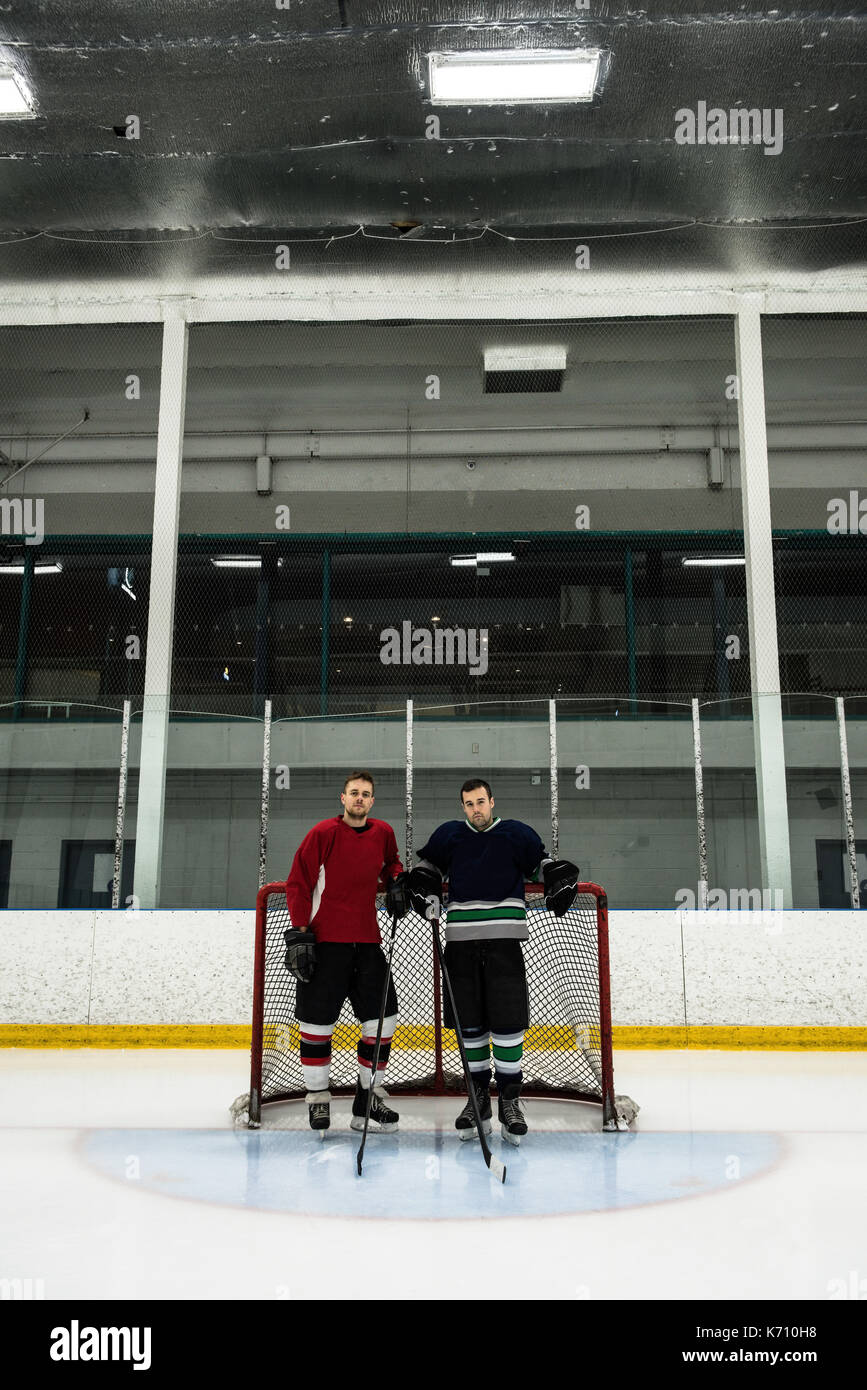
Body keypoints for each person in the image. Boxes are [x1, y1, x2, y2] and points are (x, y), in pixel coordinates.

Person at [409, 779, 578, 1146]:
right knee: (469, 1026)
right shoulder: (450, 836)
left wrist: (557, 876)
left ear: (492, 801)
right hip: (461, 948)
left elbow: (541, 865)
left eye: (481, 802)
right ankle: (478, 1099)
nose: (476, 809)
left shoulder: (515, 834)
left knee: (507, 1023)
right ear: (463, 807)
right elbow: (428, 868)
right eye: (469, 803)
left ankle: (510, 1101)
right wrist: (421, 885)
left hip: (504, 945)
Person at [282, 770, 408, 1133]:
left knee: (383, 1022)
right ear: (343, 798)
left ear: (372, 801)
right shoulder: (322, 834)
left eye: (366, 794)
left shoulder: (383, 832)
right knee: (317, 1025)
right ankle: (318, 1100)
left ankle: (366, 1101)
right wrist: (301, 934)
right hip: (326, 943)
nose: (359, 799)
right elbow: (298, 883)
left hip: (367, 942)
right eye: (354, 793)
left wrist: (397, 879)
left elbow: (391, 863)